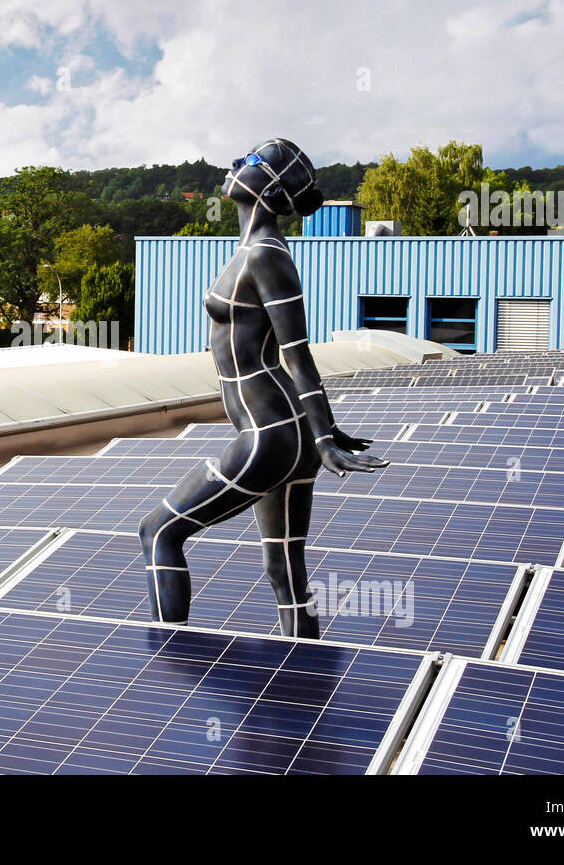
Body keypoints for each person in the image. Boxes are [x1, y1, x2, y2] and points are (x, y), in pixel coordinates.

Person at [137, 138, 389, 637]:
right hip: (283, 430)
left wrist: (322, 436)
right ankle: (308, 676)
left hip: (271, 430)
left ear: (270, 187)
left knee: (159, 532)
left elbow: (297, 351)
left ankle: (164, 674)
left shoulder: (265, 254)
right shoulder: (257, 251)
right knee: (284, 572)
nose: (236, 164)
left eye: (251, 161)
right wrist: (322, 432)